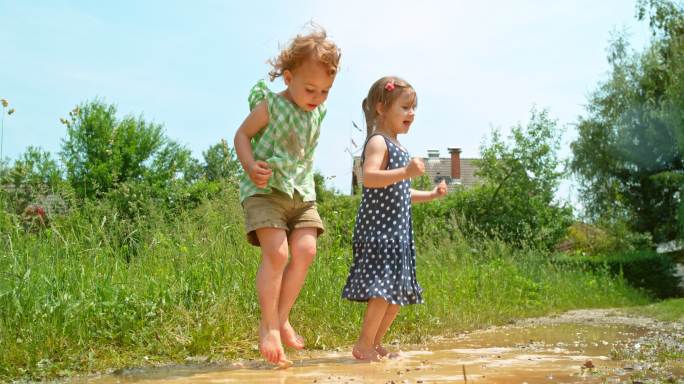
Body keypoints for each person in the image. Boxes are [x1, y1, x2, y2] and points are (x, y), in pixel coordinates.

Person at [233, 27, 341, 368]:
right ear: (289, 77)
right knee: (278, 254)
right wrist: (251, 167)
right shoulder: (271, 107)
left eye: (325, 91)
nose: (317, 97)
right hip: (265, 191)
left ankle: (281, 317)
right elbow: (241, 135)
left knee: (306, 249)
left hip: (301, 190)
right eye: (310, 89)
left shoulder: (318, 111)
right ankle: (268, 326)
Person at [342, 76, 447, 361]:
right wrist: (405, 172)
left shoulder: (398, 146)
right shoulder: (378, 142)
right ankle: (363, 344)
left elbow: (402, 191)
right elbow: (371, 179)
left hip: (397, 234)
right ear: (381, 107)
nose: (411, 114)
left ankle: (375, 343)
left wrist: (430, 195)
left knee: (396, 295)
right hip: (379, 232)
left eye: (414, 108)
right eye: (405, 107)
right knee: (382, 291)